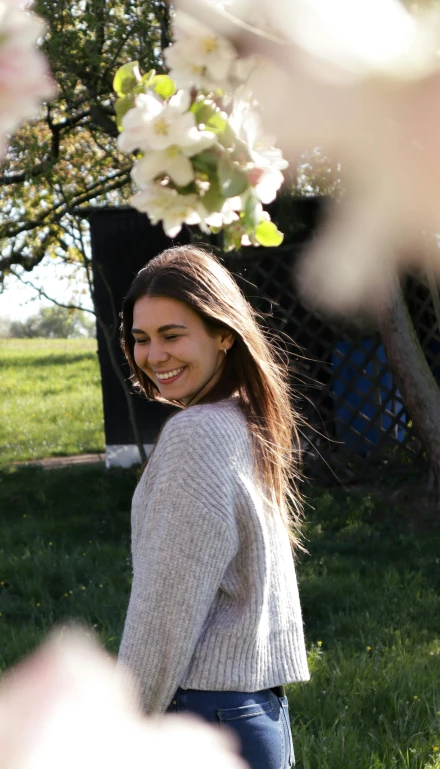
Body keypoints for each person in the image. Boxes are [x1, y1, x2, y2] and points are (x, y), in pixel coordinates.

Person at [117, 245, 310, 769]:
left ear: (224, 333)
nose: (154, 356)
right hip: (259, 715)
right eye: (140, 338)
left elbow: (164, 611)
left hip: (202, 719)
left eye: (172, 335)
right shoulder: (245, 420)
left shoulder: (197, 434)